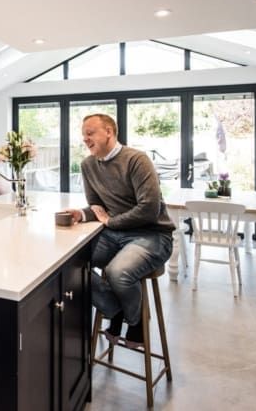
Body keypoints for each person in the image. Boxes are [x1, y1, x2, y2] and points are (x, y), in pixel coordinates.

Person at [65, 114, 175, 349]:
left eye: (89, 133)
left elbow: (149, 210)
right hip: (114, 235)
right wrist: (81, 214)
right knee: (72, 265)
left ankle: (136, 323)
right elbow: (99, 209)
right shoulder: (87, 165)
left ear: (108, 131)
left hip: (152, 234)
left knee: (117, 272)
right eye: (83, 135)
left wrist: (111, 223)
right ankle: (114, 310)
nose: (85, 139)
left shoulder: (137, 160)